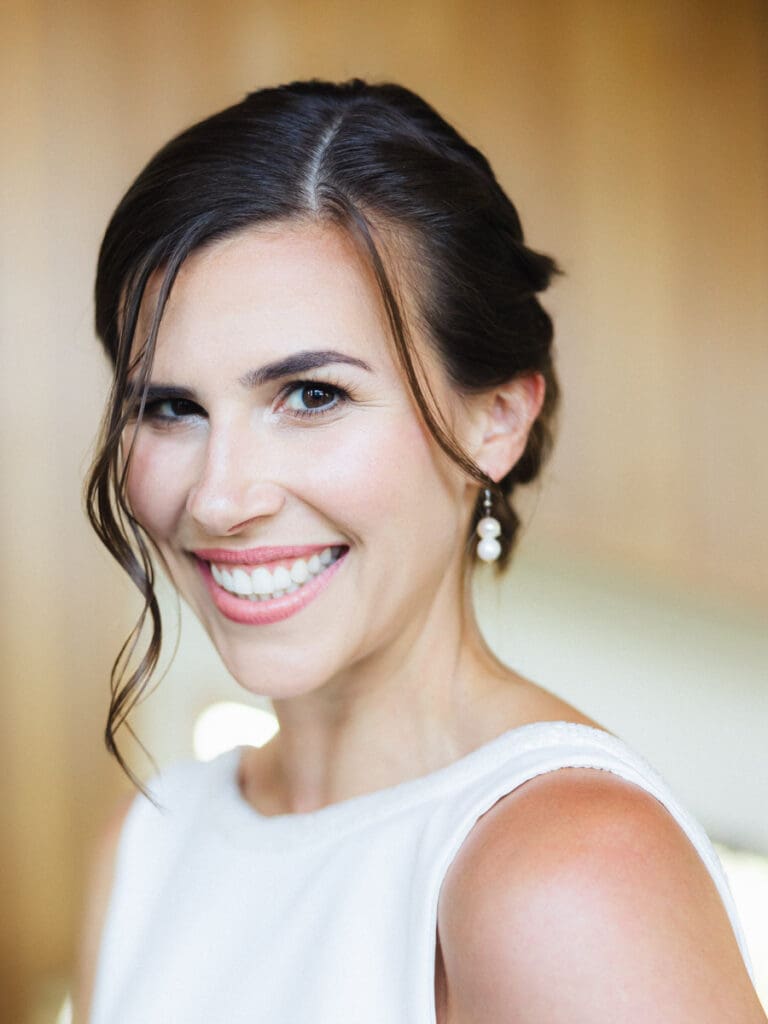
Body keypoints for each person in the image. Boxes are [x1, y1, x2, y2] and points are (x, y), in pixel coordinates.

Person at [74, 79, 765, 1023]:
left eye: (312, 395)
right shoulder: (152, 840)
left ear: (498, 419)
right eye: (171, 406)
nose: (221, 497)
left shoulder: (572, 872)